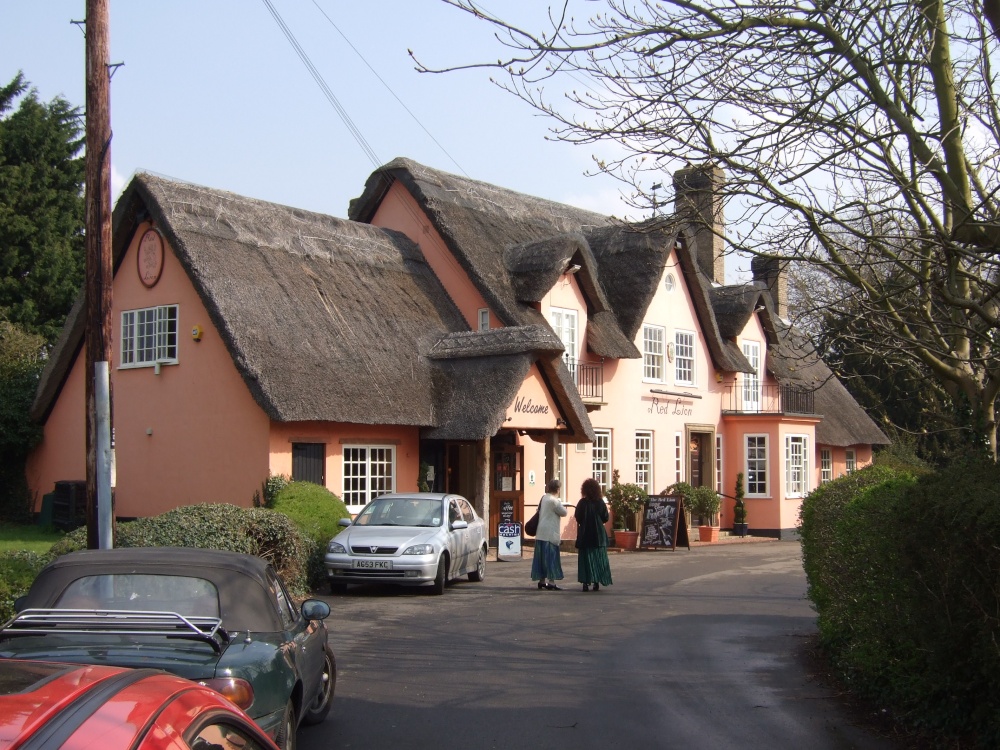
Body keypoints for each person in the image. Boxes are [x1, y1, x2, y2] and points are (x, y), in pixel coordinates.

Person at [575, 478, 613, 592]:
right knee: (598, 557)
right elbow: (605, 517)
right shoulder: (600, 502)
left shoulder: (582, 503)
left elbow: (578, 517)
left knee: (586, 558)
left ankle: (585, 582)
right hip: (598, 534)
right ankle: (596, 581)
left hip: (585, 533)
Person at [530, 479, 568, 590]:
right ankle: (551, 582)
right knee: (551, 557)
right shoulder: (554, 501)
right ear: (557, 489)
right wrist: (559, 501)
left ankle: (542, 580)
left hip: (541, 532)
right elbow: (564, 512)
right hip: (550, 533)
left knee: (541, 558)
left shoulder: (544, 498)